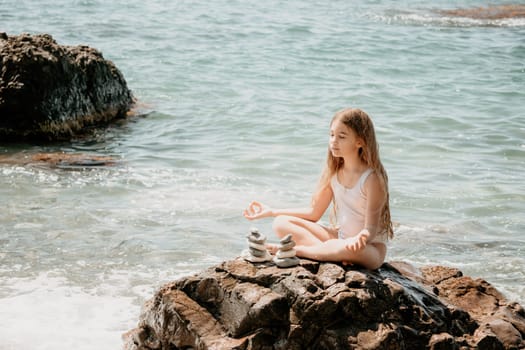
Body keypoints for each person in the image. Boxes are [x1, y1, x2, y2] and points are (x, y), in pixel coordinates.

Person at [243, 108, 393, 270]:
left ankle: (299, 251)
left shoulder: (372, 178)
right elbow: (313, 213)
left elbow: (370, 228)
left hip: (369, 248)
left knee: (345, 248)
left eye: (341, 137)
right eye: (331, 135)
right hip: (340, 240)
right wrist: (272, 211)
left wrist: (363, 236)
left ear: (360, 142)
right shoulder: (334, 173)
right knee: (281, 222)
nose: (333, 141)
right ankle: (331, 253)